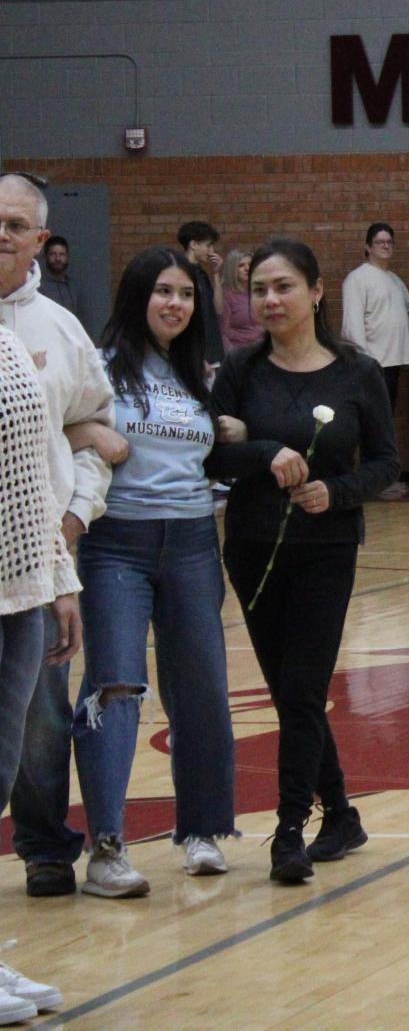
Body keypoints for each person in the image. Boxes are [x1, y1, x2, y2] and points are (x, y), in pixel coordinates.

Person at [208, 237, 398, 882]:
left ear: (317, 292)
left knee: (302, 690)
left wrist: (336, 491)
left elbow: (386, 462)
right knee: (293, 694)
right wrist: (261, 451)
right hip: (254, 550)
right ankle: (341, 813)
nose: (270, 300)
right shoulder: (239, 372)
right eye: (259, 288)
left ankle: (289, 832)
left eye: (284, 286)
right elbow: (211, 456)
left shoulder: (356, 372)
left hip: (327, 550)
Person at [72, 246, 236, 897]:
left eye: (187, 294)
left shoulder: (194, 372)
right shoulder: (100, 366)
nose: (175, 304)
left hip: (194, 541)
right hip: (116, 542)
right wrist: (89, 431)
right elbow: (50, 421)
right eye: (164, 291)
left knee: (201, 687)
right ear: (138, 296)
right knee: (116, 687)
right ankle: (106, 848)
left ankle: (200, 831)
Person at [0, 173, 113, 900]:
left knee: (36, 717)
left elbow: (96, 437)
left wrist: (70, 528)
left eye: (14, 224)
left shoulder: (60, 331)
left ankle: (44, 844)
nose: (0, 234)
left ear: (41, 239)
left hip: (33, 562)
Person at [0, 317, 80, 1015]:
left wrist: (57, 575)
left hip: (19, 589)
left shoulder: (6, 338)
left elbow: (28, 473)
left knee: (0, 771)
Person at [339, 223, 409, 424]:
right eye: (380, 242)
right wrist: (365, 361)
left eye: (389, 242)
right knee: (373, 420)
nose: (386, 246)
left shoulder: (395, 279)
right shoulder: (357, 279)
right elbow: (352, 326)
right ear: (368, 247)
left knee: (386, 417)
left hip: (393, 361)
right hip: (373, 362)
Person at [177, 220, 225, 366]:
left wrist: (216, 274)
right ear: (193, 244)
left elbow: (219, 308)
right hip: (195, 353)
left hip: (211, 349)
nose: (211, 251)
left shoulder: (202, 273)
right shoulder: (180, 272)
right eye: (208, 245)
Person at [221, 248, 262, 352]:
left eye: (250, 264)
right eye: (241, 265)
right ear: (232, 269)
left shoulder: (259, 291)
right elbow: (224, 332)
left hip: (263, 348)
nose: (247, 268)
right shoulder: (226, 295)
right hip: (239, 350)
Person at [37, 237, 79, 318]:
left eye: (62, 254)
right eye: (53, 254)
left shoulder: (72, 286)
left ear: (67, 257)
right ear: (45, 257)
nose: (58, 259)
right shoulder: (38, 286)